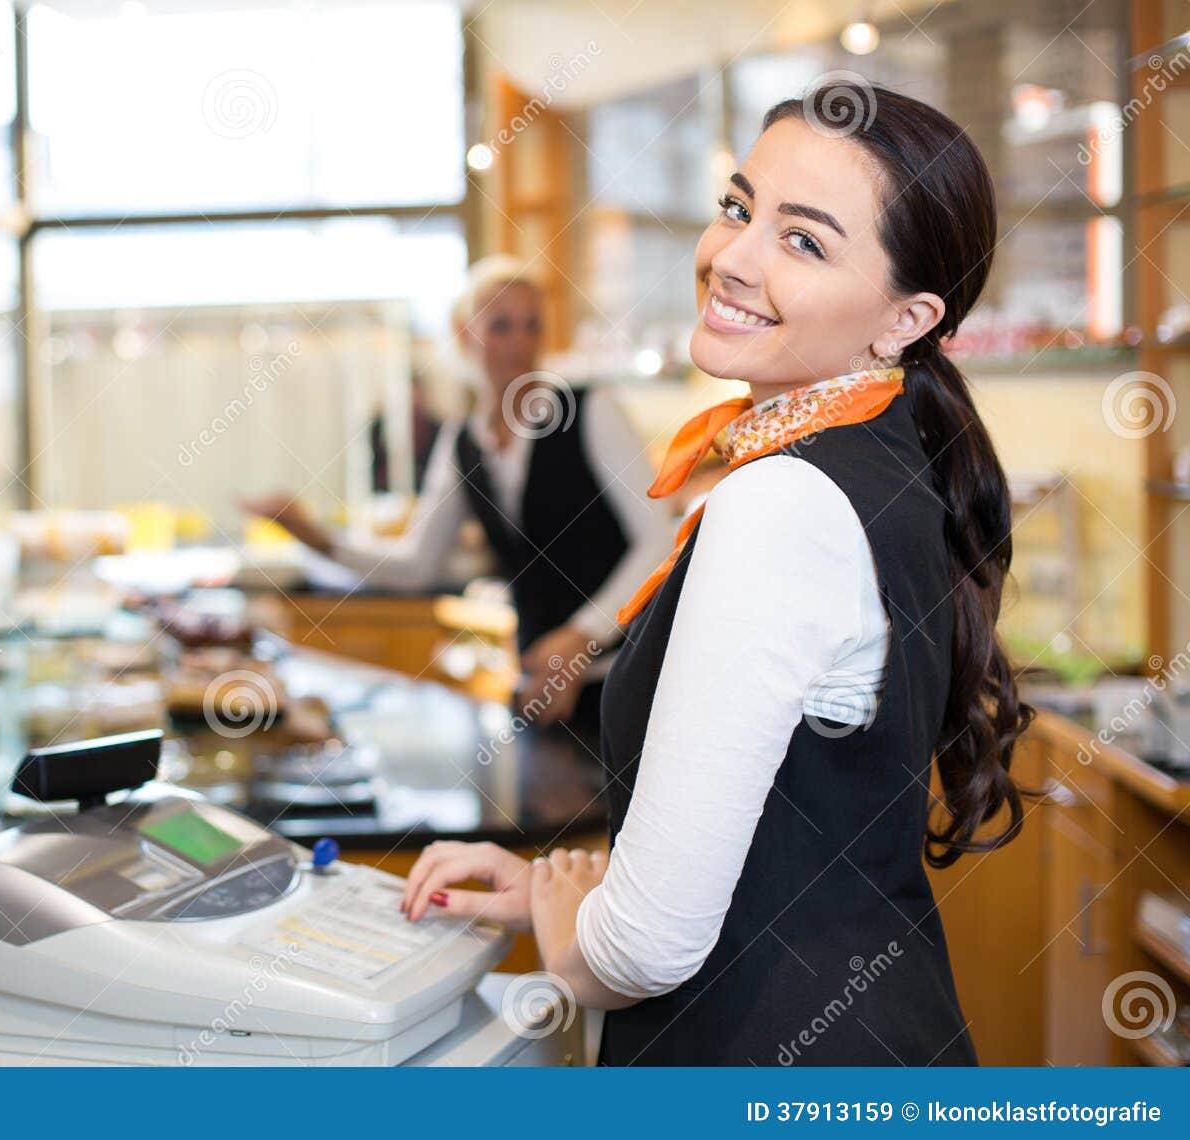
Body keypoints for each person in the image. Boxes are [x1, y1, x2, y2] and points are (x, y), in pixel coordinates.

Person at [401, 86, 1034, 1066]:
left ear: (904, 317)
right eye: (739, 208)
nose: (730, 257)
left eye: (804, 241)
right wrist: (549, 891)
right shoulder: (874, 453)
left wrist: (580, 939)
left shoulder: (781, 502)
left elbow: (644, 950)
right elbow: (786, 827)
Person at [244, 257, 672, 729]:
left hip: (627, 675)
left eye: (532, 326)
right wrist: (318, 539)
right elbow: (417, 565)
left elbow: (657, 540)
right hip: (538, 683)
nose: (520, 343)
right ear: (464, 332)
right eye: (501, 326)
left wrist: (580, 637)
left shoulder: (591, 410)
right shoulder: (463, 442)